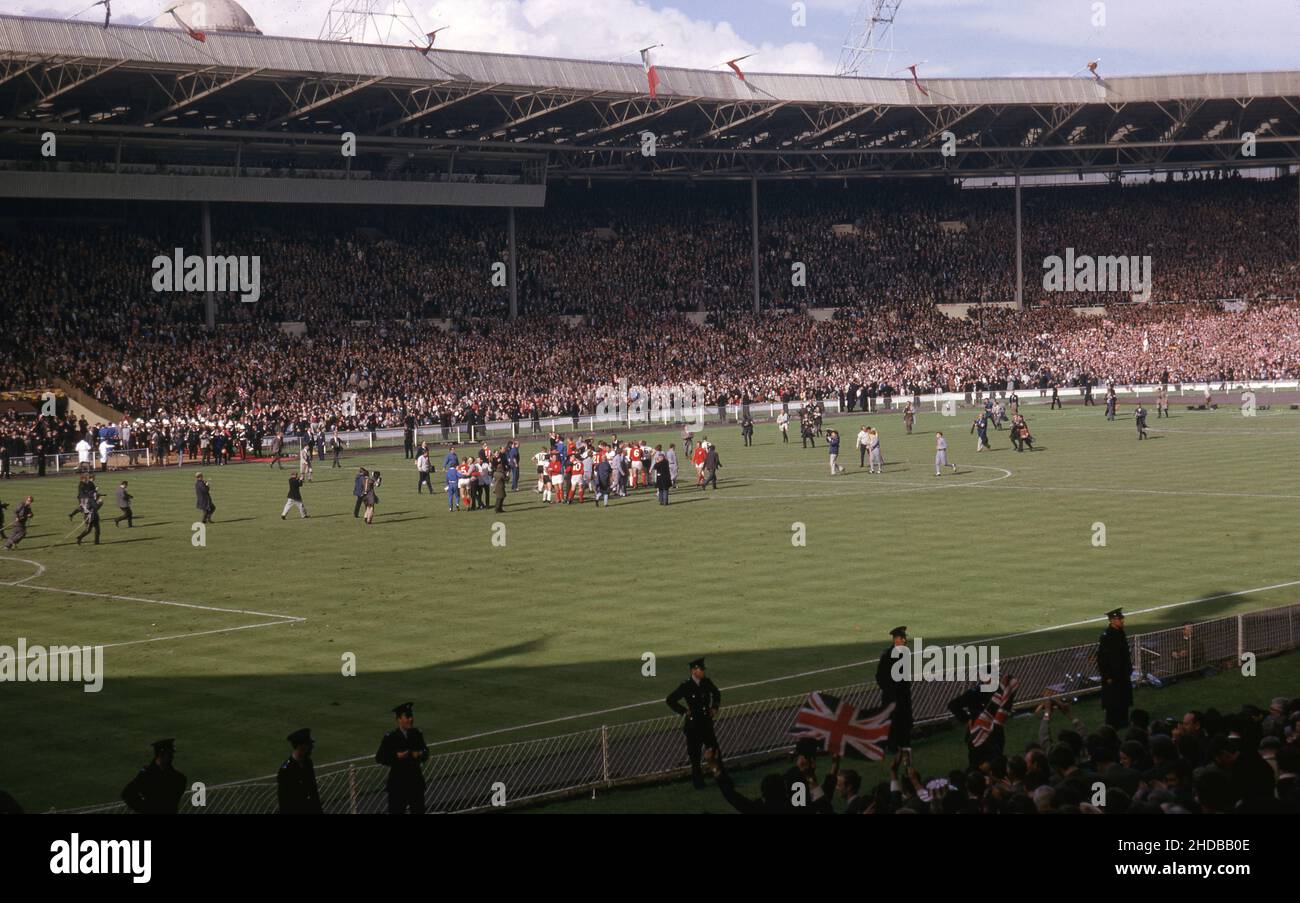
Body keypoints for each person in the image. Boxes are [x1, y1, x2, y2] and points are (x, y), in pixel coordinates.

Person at [666, 658, 722, 789]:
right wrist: (684, 711)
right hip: (693, 726)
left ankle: (720, 776)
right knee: (695, 756)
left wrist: (715, 707)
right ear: (693, 671)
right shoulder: (686, 686)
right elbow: (670, 700)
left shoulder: (706, 682)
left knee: (714, 752)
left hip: (706, 724)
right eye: (700, 670)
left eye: (703, 670)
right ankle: (699, 783)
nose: (703, 672)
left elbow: (716, 693)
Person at [375, 702, 429, 814]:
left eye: (411, 717)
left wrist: (419, 754)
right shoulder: (391, 737)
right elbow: (380, 757)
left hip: (415, 783)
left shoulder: (416, 734)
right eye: (407, 717)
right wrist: (396, 756)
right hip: (398, 786)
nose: (410, 719)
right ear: (399, 719)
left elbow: (426, 752)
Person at [121, 739, 188, 814]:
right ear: (160, 754)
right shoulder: (147, 775)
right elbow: (128, 793)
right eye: (169, 754)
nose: (172, 757)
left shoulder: (178, 778)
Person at [875, 626, 913, 756]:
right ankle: (892, 746)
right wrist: (890, 690)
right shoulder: (887, 655)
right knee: (892, 721)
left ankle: (904, 744)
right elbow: (880, 676)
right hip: (892, 696)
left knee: (905, 719)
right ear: (897, 640)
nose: (905, 641)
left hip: (903, 695)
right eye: (903, 638)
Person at [1098, 607, 1134, 729]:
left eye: (1122, 618)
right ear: (1112, 620)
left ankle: (1123, 722)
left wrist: (1128, 669)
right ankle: (1112, 724)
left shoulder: (1119, 632)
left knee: (1123, 698)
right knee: (1113, 702)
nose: (1122, 620)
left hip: (1122, 673)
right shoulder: (1107, 636)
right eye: (1120, 619)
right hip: (1112, 676)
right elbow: (1102, 659)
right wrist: (1107, 676)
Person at [277, 728, 322, 815]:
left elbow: (313, 792)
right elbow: (284, 801)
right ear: (300, 746)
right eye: (308, 744)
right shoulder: (286, 770)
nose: (311, 747)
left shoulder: (308, 763)